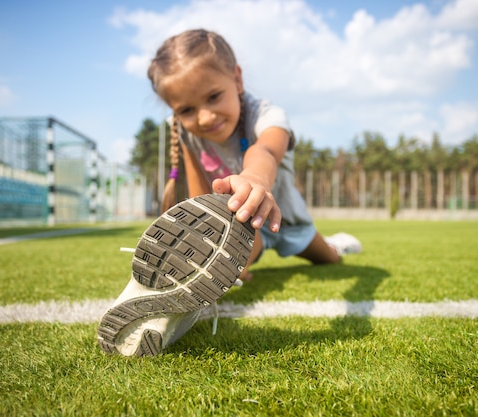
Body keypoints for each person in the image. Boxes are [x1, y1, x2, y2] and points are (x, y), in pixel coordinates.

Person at [97, 29, 361, 357]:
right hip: (240, 222)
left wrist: (254, 180)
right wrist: (198, 241)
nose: (204, 117)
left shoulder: (269, 116)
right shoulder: (185, 134)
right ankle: (165, 315)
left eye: (212, 97)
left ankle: (336, 245)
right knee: (222, 262)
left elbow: (265, 151)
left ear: (236, 79)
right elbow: (197, 196)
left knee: (329, 260)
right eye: (187, 110)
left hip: (288, 222)